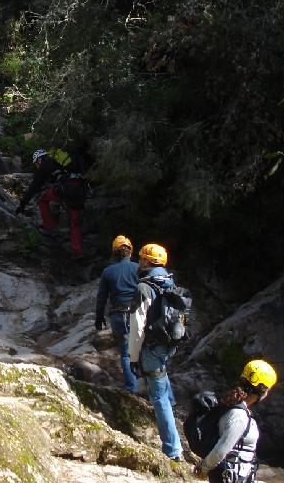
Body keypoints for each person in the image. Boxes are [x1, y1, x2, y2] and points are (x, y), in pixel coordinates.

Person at [128, 243, 183, 460]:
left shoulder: (144, 287)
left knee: (158, 398)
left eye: (141, 259)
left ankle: (173, 450)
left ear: (146, 262)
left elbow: (137, 327)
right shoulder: (169, 282)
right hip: (169, 345)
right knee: (163, 382)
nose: (138, 262)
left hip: (151, 348)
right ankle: (176, 428)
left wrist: (133, 358)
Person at [193, 360, 278, 482]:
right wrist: (204, 468)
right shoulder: (239, 415)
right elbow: (221, 450)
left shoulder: (235, 407)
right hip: (229, 476)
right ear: (262, 390)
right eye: (268, 389)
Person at [14, 148, 84, 256]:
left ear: (39, 159)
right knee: (75, 221)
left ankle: (50, 228)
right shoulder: (64, 159)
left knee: (42, 199)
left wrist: (22, 204)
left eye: (36, 163)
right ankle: (78, 251)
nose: (37, 166)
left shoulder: (45, 164)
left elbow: (34, 186)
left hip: (65, 188)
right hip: (80, 188)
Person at [95, 235, 140, 393]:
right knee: (144, 350)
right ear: (130, 251)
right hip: (138, 313)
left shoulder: (108, 271)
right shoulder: (138, 268)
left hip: (118, 314)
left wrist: (99, 317)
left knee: (126, 352)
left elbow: (102, 297)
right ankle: (151, 385)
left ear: (114, 252)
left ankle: (131, 387)